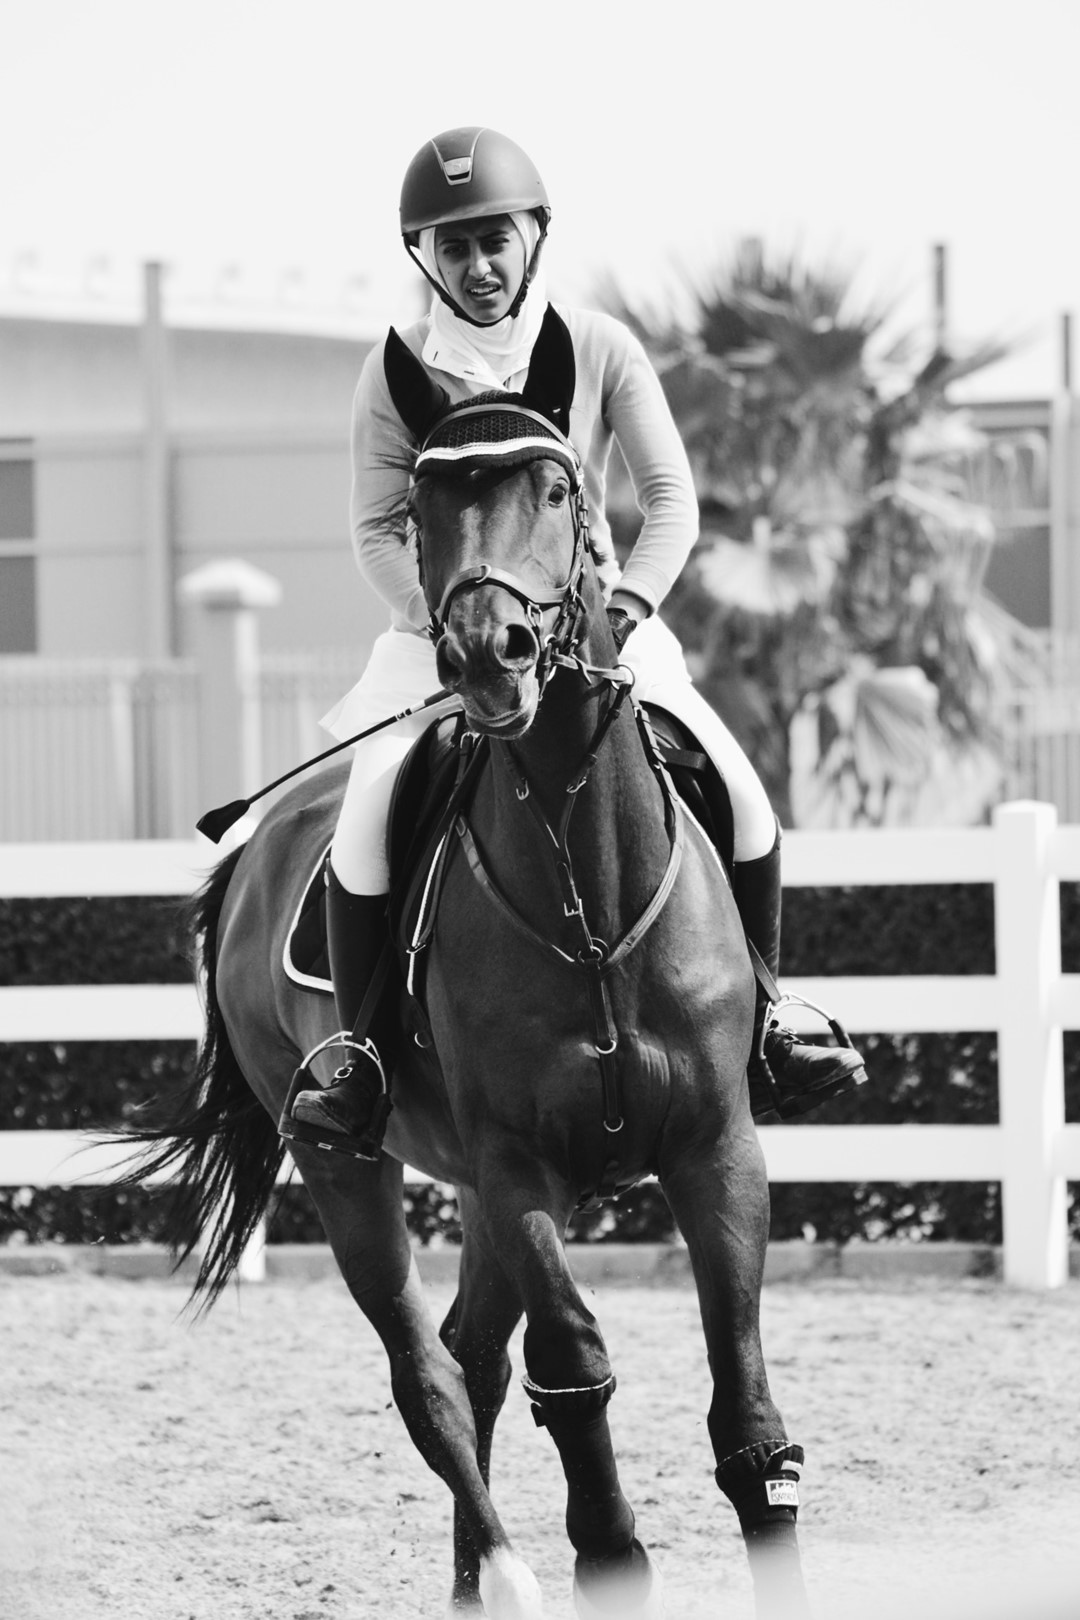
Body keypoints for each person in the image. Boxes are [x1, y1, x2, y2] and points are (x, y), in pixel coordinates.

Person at [288, 126, 866, 1153]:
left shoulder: (596, 346)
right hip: (443, 638)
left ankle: (769, 1018)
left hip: (598, 630)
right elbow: (376, 530)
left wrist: (632, 604)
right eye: (453, 246)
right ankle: (363, 1055)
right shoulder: (396, 370)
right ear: (425, 255)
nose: (477, 265)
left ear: (534, 237)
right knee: (365, 814)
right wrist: (447, 625)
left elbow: (670, 498)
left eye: (493, 240)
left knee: (741, 791)